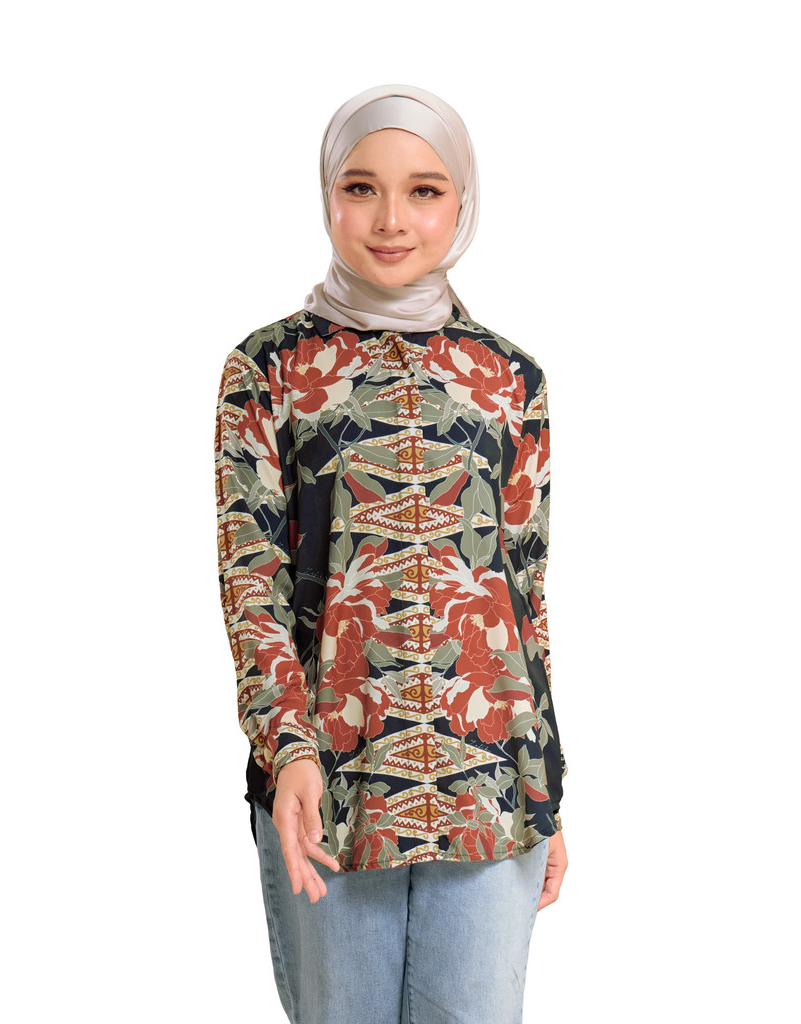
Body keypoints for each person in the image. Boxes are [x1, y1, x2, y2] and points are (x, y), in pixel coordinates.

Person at [215, 84, 570, 1024]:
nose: (390, 220)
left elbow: (524, 593)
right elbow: (252, 580)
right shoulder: (270, 370)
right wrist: (288, 750)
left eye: (424, 190)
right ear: (328, 194)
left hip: (492, 789)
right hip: (327, 784)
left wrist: (549, 792)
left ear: (462, 202)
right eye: (361, 187)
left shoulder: (511, 379)